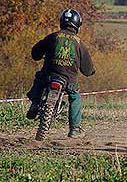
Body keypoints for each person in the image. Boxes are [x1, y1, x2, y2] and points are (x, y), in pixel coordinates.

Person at [26, 9, 95, 139]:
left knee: (38, 79)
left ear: (61, 22)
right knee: (75, 97)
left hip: (48, 76)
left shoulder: (53, 37)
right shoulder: (79, 43)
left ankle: (35, 103)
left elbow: (35, 53)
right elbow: (87, 70)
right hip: (69, 81)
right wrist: (91, 71)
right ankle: (75, 129)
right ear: (77, 25)